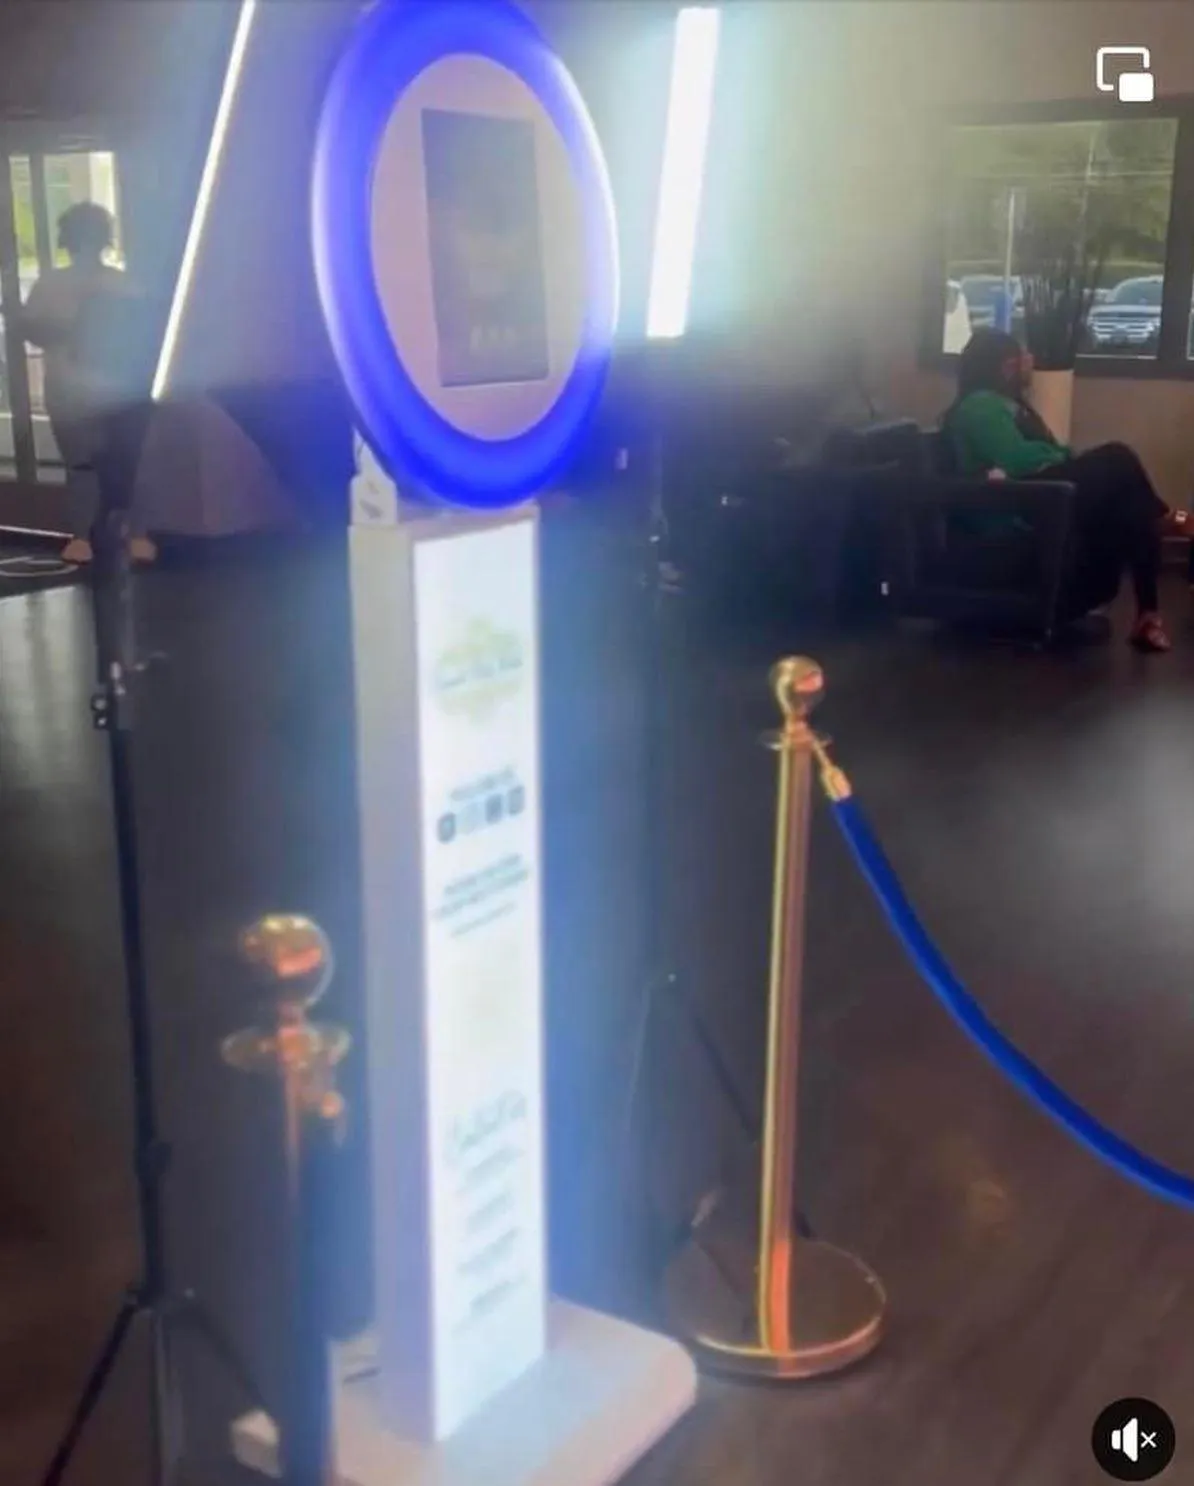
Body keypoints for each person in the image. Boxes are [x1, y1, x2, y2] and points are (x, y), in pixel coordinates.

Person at [943, 327, 1172, 653]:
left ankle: (1148, 614)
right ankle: (1165, 521)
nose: (1027, 362)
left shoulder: (1010, 405)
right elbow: (1017, 459)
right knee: (1117, 457)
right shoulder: (979, 406)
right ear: (1004, 366)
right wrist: (1062, 455)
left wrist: (1054, 453)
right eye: (1019, 357)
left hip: (1040, 493)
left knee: (1128, 504)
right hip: (1022, 501)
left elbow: (1036, 452)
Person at [20, 202, 156, 567]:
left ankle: (82, 538)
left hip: (68, 391)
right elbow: (141, 338)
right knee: (127, 463)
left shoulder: (50, 284)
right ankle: (135, 534)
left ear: (65, 237)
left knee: (80, 467)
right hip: (120, 389)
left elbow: (33, 331)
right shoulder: (125, 284)